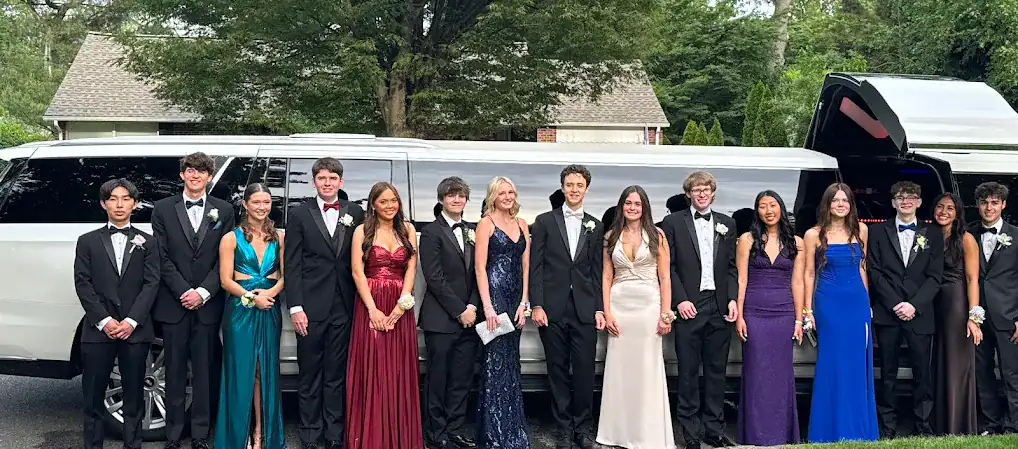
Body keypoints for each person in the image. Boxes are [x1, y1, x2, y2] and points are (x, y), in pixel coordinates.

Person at [150, 152, 235, 449]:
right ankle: (173, 435)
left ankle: (200, 435)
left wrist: (204, 292)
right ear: (182, 175)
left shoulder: (224, 210)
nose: (195, 175)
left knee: (203, 372)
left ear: (209, 177)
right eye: (190, 170)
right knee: (173, 372)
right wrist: (184, 291)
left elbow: (225, 257)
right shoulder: (162, 209)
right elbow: (160, 256)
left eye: (201, 171)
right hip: (174, 303)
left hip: (208, 305)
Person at [283, 158, 365, 449]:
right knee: (309, 373)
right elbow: (291, 263)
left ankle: (334, 435)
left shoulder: (355, 212)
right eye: (322, 178)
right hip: (310, 307)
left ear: (341, 182)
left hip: (344, 306)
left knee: (336, 374)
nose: (327, 183)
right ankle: (309, 434)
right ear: (314, 182)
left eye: (332, 178)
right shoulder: (299, 214)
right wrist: (295, 307)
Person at [75, 178, 159, 449]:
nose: (119, 204)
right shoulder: (87, 241)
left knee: (134, 396)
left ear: (135, 204)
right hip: (98, 330)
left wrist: (132, 321)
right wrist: (105, 320)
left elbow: (152, 283)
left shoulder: (148, 242)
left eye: (125, 199)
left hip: (136, 330)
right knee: (93, 396)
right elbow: (83, 283)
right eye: (113, 199)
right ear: (104, 204)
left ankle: (133, 445)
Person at [659, 171, 738, 449]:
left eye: (706, 189)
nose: (702, 194)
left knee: (717, 372)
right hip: (689, 307)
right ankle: (691, 433)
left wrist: (732, 299)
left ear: (713, 193)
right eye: (696, 190)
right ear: (688, 194)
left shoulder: (727, 223)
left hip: (719, 306)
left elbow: (731, 267)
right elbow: (667, 267)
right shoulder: (673, 223)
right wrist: (679, 300)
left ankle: (714, 430)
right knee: (688, 372)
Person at [529, 165, 605, 449]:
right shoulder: (544, 222)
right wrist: (537, 304)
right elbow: (535, 267)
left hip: (585, 309)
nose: (574, 189)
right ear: (562, 187)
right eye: (570, 184)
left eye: (579, 185)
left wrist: (599, 308)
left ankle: (582, 429)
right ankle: (563, 429)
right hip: (552, 309)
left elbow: (597, 271)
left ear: (586, 189)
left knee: (585, 372)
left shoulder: (595, 225)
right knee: (557, 371)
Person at [596, 186, 675, 449]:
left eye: (637, 204)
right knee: (619, 369)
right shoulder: (611, 237)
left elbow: (665, 277)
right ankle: (618, 432)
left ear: (645, 208)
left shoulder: (657, 235)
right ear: (622, 206)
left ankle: (646, 433)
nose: (632, 208)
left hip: (648, 307)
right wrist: (607, 312)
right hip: (619, 308)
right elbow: (607, 276)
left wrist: (666, 314)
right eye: (628, 203)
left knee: (647, 368)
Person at [346, 182, 423, 448]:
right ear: (373, 205)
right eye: (383, 201)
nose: (390, 206)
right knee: (374, 368)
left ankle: (399, 439)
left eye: (394, 200)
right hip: (371, 302)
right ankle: (372, 438)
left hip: (400, 305)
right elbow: (357, 271)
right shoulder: (362, 231)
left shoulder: (408, 230)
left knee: (399, 371)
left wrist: (402, 305)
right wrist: (373, 310)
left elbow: (411, 268)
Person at [868, 181, 944, 438]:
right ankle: (887, 427)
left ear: (919, 202)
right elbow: (874, 272)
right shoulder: (877, 231)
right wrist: (895, 303)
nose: (906, 201)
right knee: (887, 373)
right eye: (900, 197)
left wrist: (914, 304)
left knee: (922, 373)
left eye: (911, 197)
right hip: (888, 313)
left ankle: (923, 426)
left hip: (920, 313)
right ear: (893, 202)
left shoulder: (933, 233)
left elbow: (935, 276)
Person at [804, 183, 878, 443]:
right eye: (835, 200)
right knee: (832, 363)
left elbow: (862, 268)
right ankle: (829, 429)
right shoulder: (813, 234)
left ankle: (857, 429)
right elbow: (808, 274)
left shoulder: (861, 230)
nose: (840, 204)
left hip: (857, 304)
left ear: (850, 205)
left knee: (857, 364)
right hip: (828, 303)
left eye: (845, 200)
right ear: (827, 203)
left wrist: (867, 303)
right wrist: (808, 310)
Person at [214, 183, 286, 449]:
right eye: (256, 202)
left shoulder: (279, 238)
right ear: (245, 204)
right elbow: (225, 280)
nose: (262, 207)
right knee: (240, 369)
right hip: (241, 310)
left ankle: (260, 433)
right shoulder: (230, 238)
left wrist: (270, 294)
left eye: (266, 202)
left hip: (269, 308)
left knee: (263, 370)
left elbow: (285, 276)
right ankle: (238, 434)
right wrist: (252, 298)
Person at [734, 191, 803, 446]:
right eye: (762, 206)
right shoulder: (747, 239)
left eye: (772, 205)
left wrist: (799, 319)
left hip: (784, 314)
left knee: (781, 374)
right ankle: (755, 434)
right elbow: (741, 279)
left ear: (781, 208)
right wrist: (740, 315)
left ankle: (781, 433)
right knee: (756, 372)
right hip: (754, 312)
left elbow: (798, 282)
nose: (768, 210)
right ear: (757, 212)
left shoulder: (796, 242)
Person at [419, 177, 482, 449]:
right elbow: (434, 278)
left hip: (470, 317)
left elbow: (481, 272)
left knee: (462, 378)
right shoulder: (431, 232)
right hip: (441, 319)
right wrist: (459, 310)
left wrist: (473, 306)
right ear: (441, 199)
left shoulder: (473, 230)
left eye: (461, 195)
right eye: (450, 195)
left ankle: (455, 429)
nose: (456, 200)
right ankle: (436, 433)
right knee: (438, 378)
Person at [474, 176, 531, 449]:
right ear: (493, 197)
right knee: (495, 363)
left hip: (515, 299)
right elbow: (479, 268)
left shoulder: (522, 224)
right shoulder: (486, 224)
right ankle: (494, 433)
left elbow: (526, 266)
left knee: (511, 362)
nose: (507, 197)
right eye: (502, 193)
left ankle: (513, 430)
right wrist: (488, 307)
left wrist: (524, 302)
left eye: (511, 192)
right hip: (495, 298)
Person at [931, 192, 982, 435]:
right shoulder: (929, 236)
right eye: (940, 207)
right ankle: (938, 422)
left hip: (955, 305)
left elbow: (973, 279)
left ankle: (957, 424)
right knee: (937, 362)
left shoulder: (966, 239)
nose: (944, 212)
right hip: (932, 304)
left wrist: (973, 317)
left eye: (950, 208)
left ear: (958, 213)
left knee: (955, 364)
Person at [971, 182, 1018, 435]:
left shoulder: (1017, 235)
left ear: (1003, 205)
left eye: (994, 202)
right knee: (982, 373)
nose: (989, 207)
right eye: (984, 203)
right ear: (977, 205)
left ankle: (1014, 425)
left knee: (1013, 374)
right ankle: (991, 423)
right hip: (977, 317)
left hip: (1009, 316)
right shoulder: (968, 234)